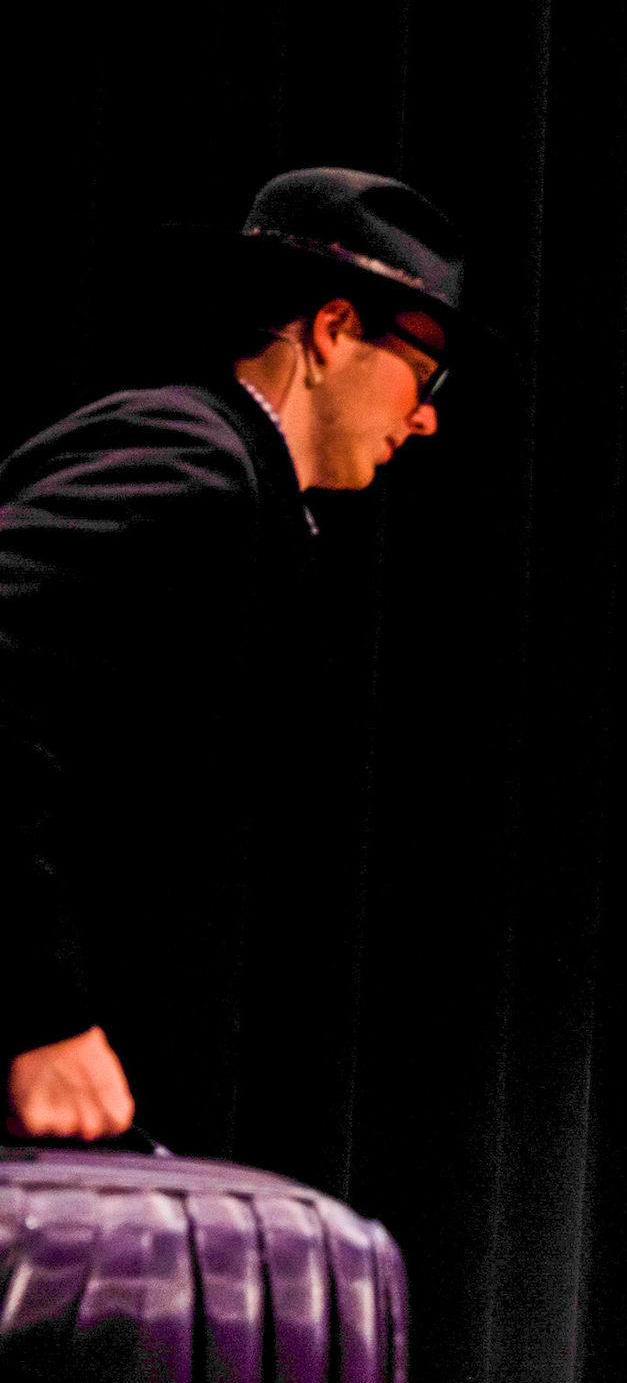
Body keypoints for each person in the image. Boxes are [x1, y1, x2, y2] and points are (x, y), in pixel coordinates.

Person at [2, 166, 472, 1154]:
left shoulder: (241, 489)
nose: (428, 416)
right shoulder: (194, 461)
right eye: (425, 375)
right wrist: (38, 1011)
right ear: (333, 330)